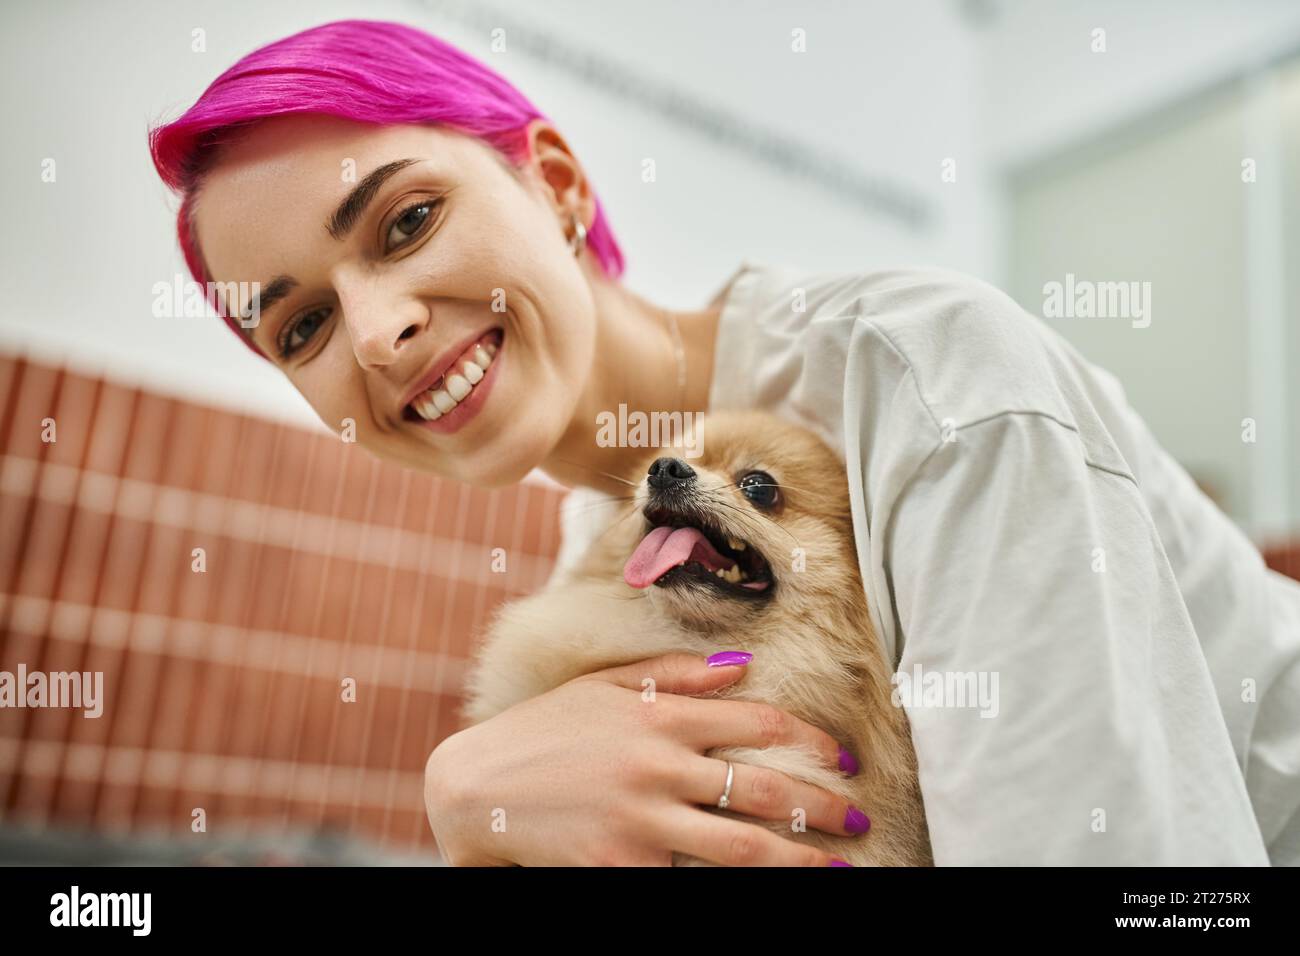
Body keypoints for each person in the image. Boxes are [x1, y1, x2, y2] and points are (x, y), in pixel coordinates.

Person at [148, 19, 1300, 866]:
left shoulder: (929, 380)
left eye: (408, 220)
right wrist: (466, 793)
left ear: (552, 184)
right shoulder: (600, 548)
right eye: (301, 324)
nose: (380, 329)